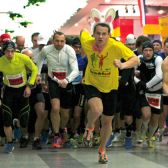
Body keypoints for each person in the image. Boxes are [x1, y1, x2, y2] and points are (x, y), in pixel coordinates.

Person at [80, 22, 139, 164]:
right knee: (97, 109)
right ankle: (89, 127)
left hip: (110, 87)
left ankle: (102, 150)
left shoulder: (115, 46)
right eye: (98, 33)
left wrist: (122, 65)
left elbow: (135, 59)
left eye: (104, 34)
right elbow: (82, 31)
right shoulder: (87, 42)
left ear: (109, 35)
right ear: (93, 34)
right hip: (91, 83)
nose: (100, 36)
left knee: (107, 122)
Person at [37, 31, 79, 148]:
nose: (59, 43)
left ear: (65, 41)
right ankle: (56, 135)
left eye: (62, 41)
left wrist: (67, 80)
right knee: (55, 108)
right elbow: (39, 62)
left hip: (67, 81)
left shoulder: (69, 50)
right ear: (52, 41)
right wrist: (38, 74)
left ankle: (61, 129)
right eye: (57, 41)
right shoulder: (46, 49)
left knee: (65, 113)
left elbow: (75, 70)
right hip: (53, 80)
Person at [0, 40, 38, 153]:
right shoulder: (1, 61)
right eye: (7, 52)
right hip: (9, 91)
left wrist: (29, 86)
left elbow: (35, 69)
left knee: (24, 121)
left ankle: (18, 126)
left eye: (12, 51)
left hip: (22, 90)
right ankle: (9, 142)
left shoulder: (22, 57)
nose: (10, 54)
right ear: (3, 51)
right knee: (6, 119)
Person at [135, 40, 163, 148]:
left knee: (155, 118)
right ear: (142, 51)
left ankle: (150, 137)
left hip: (156, 92)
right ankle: (142, 132)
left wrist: (146, 85)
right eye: (145, 50)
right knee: (146, 115)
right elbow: (131, 74)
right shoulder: (138, 59)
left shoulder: (158, 59)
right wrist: (139, 83)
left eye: (150, 50)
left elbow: (159, 76)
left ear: (153, 51)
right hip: (144, 92)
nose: (148, 52)